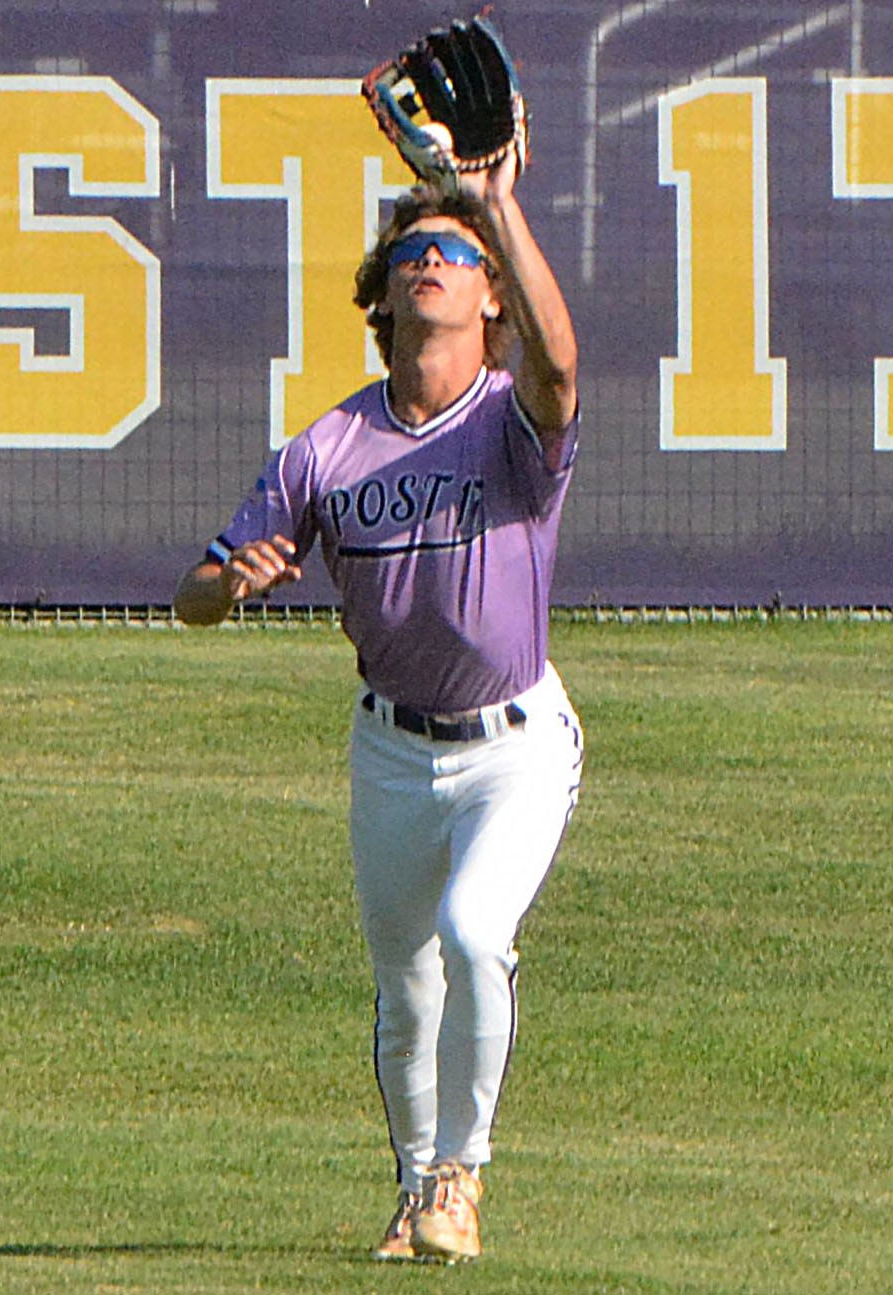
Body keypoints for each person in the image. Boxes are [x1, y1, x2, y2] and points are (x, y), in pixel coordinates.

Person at [173, 146, 584, 1263]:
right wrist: (228, 582)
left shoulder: (510, 421)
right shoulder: (329, 446)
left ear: (490, 288)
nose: (432, 263)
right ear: (385, 292)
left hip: (515, 741)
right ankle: (412, 1188)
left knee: (470, 933)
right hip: (392, 750)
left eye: (455, 253)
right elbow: (192, 595)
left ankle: (461, 1173)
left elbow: (561, 362)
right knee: (405, 992)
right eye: (414, 251)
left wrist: (497, 205)